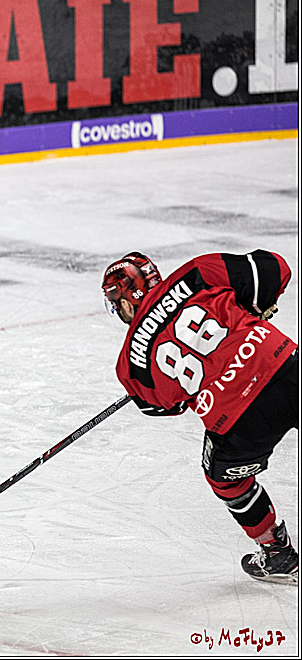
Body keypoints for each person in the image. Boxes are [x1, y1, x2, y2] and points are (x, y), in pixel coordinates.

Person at [102, 250, 298, 584]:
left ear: (123, 300)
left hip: (238, 418)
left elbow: (164, 407)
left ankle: (277, 552)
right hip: (283, 366)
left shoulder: (130, 365)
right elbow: (275, 268)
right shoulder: (197, 272)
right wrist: (255, 308)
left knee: (226, 480)